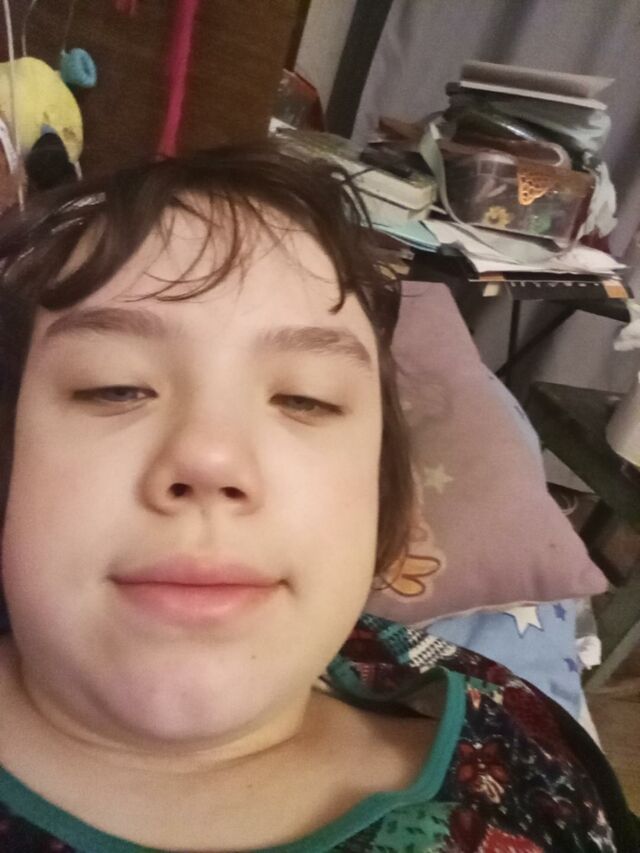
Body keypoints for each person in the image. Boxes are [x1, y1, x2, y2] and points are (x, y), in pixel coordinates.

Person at [0, 142, 636, 853]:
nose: (210, 457)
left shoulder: (523, 761)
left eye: (304, 399)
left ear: (385, 513)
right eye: (115, 387)